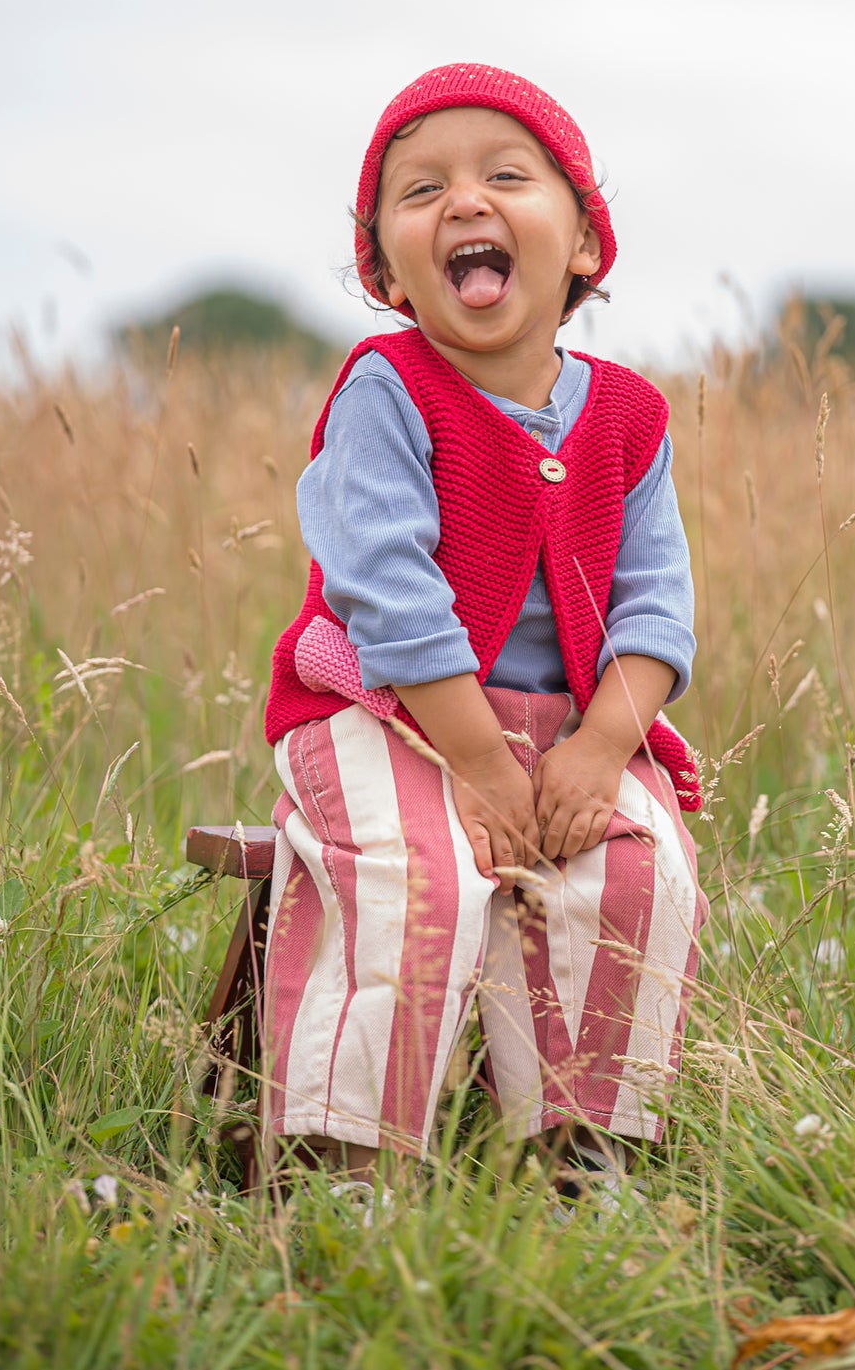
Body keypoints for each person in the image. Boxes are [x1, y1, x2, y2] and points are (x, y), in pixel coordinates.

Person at [260, 62, 707, 1203]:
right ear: (382, 266)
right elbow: (387, 590)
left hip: (567, 731)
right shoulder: (388, 389)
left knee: (635, 870)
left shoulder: (627, 417)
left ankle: (582, 1151)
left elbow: (655, 606)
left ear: (585, 242)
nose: (463, 200)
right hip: (386, 710)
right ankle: (344, 1159)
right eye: (420, 191)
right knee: (421, 874)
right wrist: (469, 758)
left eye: (505, 176)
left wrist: (603, 747)